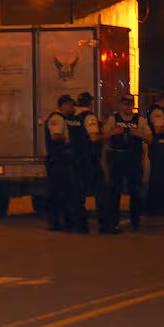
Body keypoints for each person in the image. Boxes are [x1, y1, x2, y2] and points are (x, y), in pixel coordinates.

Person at [99, 94, 147, 234]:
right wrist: (113, 133)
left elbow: (149, 137)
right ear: (121, 105)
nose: (127, 106)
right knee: (114, 190)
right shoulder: (113, 119)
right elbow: (102, 137)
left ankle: (135, 220)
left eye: (130, 104)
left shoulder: (140, 120)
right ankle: (113, 221)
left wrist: (140, 135)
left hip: (133, 158)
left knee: (135, 190)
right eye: (125, 103)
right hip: (117, 156)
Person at [44, 94, 87, 233]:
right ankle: (56, 222)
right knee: (59, 192)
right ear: (63, 105)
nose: (72, 108)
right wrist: (67, 140)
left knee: (62, 192)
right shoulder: (57, 118)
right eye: (70, 105)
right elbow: (55, 136)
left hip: (60, 160)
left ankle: (60, 221)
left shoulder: (62, 118)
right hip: (58, 160)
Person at [75, 92, 105, 212]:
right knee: (99, 186)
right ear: (90, 103)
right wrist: (107, 135)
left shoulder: (73, 116)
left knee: (79, 187)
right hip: (89, 157)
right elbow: (94, 137)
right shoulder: (89, 117)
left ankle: (77, 214)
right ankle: (102, 214)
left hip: (76, 157)